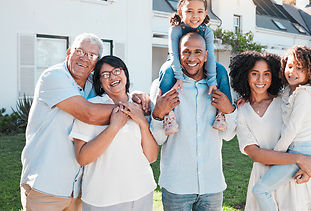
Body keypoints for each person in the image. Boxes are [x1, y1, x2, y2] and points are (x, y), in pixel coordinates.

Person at [20, 33, 149, 211]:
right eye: (79, 51)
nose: (84, 58)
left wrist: (136, 96)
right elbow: (88, 113)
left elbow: (114, 87)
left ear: (95, 63)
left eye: (91, 55)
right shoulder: (53, 77)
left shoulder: (91, 84)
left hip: (77, 187)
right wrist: (132, 109)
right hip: (46, 185)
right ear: (68, 53)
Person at [229, 50, 311, 211]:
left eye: (266, 74)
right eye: (254, 73)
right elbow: (254, 153)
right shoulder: (242, 110)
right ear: (244, 75)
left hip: (294, 178)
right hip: (264, 176)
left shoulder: (286, 101)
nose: (260, 79)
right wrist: (300, 158)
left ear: (274, 76)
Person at [151, 32, 237, 211]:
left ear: (206, 55)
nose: (192, 57)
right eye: (186, 51)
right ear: (177, 54)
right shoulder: (163, 89)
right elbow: (158, 139)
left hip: (212, 186)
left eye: (198, 52)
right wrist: (158, 115)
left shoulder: (218, 89)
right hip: (176, 186)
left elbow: (228, 136)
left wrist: (229, 111)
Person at [69, 55, 158, 210]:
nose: (113, 76)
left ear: (125, 74)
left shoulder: (140, 105)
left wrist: (142, 122)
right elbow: (82, 157)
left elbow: (151, 157)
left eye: (117, 70)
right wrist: (114, 127)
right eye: (105, 74)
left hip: (142, 191)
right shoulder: (91, 108)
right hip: (103, 197)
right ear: (100, 83)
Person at [158, 0, 232, 134]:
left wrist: (212, 81)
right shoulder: (175, 30)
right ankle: (169, 115)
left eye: (199, 11)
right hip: (177, 61)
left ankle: (221, 114)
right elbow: (173, 54)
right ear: (180, 13)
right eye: (189, 11)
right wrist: (178, 77)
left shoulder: (207, 31)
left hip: (202, 61)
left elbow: (209, 57)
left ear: (205, 14)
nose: (195, 15)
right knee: (166, 70)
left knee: (221, 70)